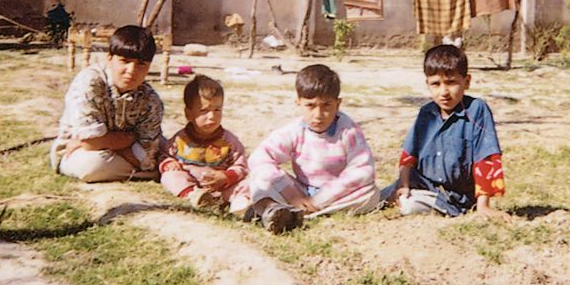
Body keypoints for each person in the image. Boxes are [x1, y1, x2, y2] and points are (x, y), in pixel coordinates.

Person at [383, 44, 510, 220]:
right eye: (435, 84)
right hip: (422, 183)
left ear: (466, 82)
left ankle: (419, 202)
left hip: (454, 197)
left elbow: (486, 159)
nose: (444, 92)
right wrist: (403, 185)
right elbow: (408, 155)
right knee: (376, 196)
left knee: (409, 205)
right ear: (427, 84)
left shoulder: (476, 110)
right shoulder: (426, 113)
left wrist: (483, 206)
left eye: (451, 82)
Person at [247, 64, 379, 233]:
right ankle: (274, 209)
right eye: (310, 106)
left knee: (370, 193)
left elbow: (362, 171)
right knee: (259, 179)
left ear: (338, 104)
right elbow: (260, 157)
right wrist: (291, 194)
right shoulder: (294, 131)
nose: (318, 114)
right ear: (298, 103)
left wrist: (318, 200)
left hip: (335, 194)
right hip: (300, 191)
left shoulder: (349, 131)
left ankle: (297, 213)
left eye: (326, 106)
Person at [50, 25, 163, 182]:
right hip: (80, 153)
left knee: (169, 150)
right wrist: (130, 140)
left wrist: (110, 143)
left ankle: (145, 171)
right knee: (93, 166)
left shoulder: (150, 99)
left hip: (112, 152)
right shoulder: (90, 82)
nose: (131, 70)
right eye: (125, 61)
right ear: (109, 59)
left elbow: (147, 152)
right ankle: (149, 174)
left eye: (141, 64)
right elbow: (90, 143)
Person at [158, 74, 249, 212]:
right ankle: (194, 196)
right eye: (204, 111)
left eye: (217, 110)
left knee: (249, 183)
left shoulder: (229, 142)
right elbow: (164, 155)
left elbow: (241, 165)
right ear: (188, 114)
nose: (212, 117)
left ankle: (240, 206)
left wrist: (226, 176)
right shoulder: (180, 140)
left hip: (222, 187)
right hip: (191, 183)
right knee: (169, 176)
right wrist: (168, 163)